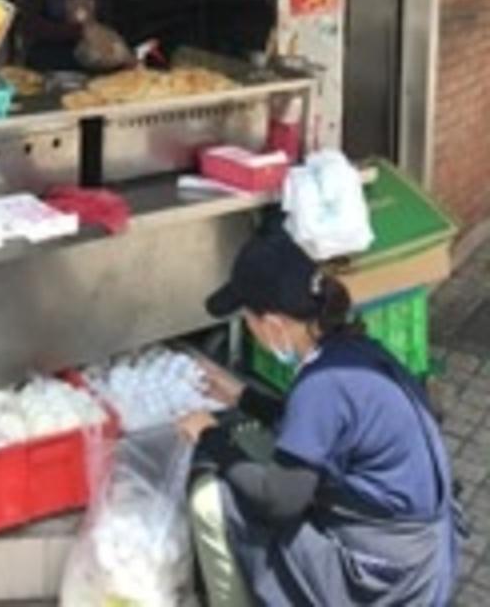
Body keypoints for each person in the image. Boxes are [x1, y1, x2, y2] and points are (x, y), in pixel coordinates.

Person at [177, 229, 459, 607]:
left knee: (215, 498)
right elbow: (313, 428)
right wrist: (240, 396)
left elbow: (279, 501)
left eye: (248, 321)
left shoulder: (323, 385)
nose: (250, 330)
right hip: (421, 556)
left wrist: (211, 437)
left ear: (273, 324)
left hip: (386, 578)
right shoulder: (350, 352)